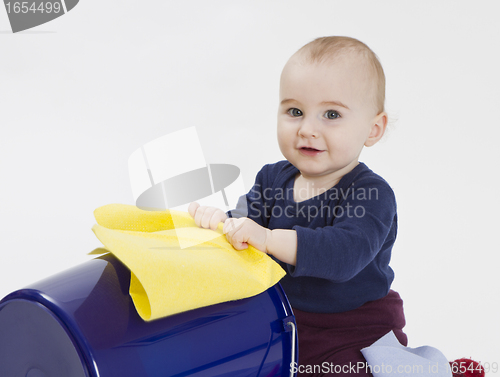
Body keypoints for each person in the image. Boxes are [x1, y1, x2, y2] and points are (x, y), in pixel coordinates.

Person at [188, 36, 407, 376]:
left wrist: (267, 239)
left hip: (352, 325)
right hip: (282, 316)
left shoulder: (371, 194)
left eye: (331, 114)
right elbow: (245, 226)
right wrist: (221, 222)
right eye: (295, 111)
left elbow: (343, 255)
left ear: (373, 128)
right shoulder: (273, 178)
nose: (307, 129)